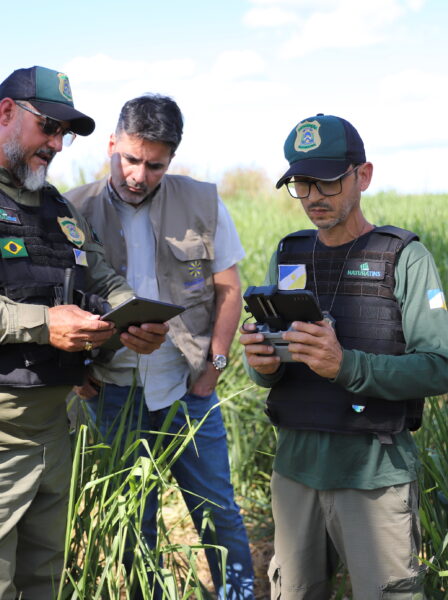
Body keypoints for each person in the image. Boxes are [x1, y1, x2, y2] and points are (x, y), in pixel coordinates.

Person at [239, 113, 448, 599]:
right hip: (295, 469)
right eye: (301, 183)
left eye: (328, 181)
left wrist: (346, 366)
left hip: (373, 473)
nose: (314, 196)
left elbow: (439, 369)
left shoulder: (403, 256)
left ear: (364, 175)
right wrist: (263, 362)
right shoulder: (289, 254)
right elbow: (271, 370)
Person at [65, 94, 254, 599]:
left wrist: (214, 365)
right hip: (109, 394)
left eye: (154, 165)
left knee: (217, 512)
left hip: (187, 390)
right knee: (133, 521)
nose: (138, 175)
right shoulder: (72, 209)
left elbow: (229, 288)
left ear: (171, 160)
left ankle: (237, 595)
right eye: (130, 159)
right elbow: (55, 301)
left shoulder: (203, 202)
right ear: (111, 144)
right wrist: (76, 374)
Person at [0, 66, 167, 600]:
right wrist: (42, 324)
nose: (55, 145)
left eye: (62, 134)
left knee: (44, 579)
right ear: (5, 112)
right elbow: (42, 320)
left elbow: (104, 278)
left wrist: (131, 320)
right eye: (48, 127)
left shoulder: (61, 211)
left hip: (57, 429)